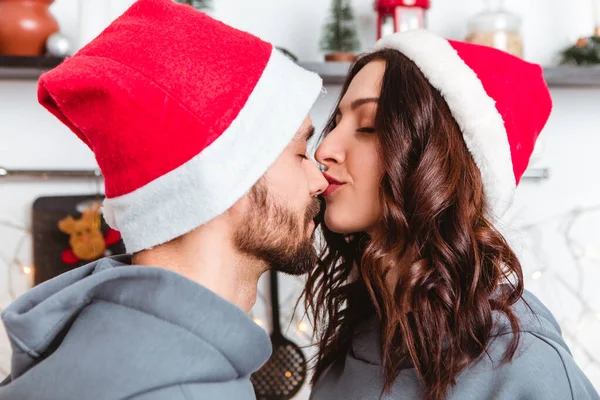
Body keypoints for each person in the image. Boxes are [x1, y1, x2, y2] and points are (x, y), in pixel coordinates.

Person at [0, 0, 328, 399]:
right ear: (227, 180)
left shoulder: (106, 353)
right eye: (299, 153)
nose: (319, 180)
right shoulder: (182, 391)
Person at [305, 30, 600, 400]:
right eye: (336, 124)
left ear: (440, 163)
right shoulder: (349, 348)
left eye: (369, 126)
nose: (326, 149)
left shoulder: (524, 364)